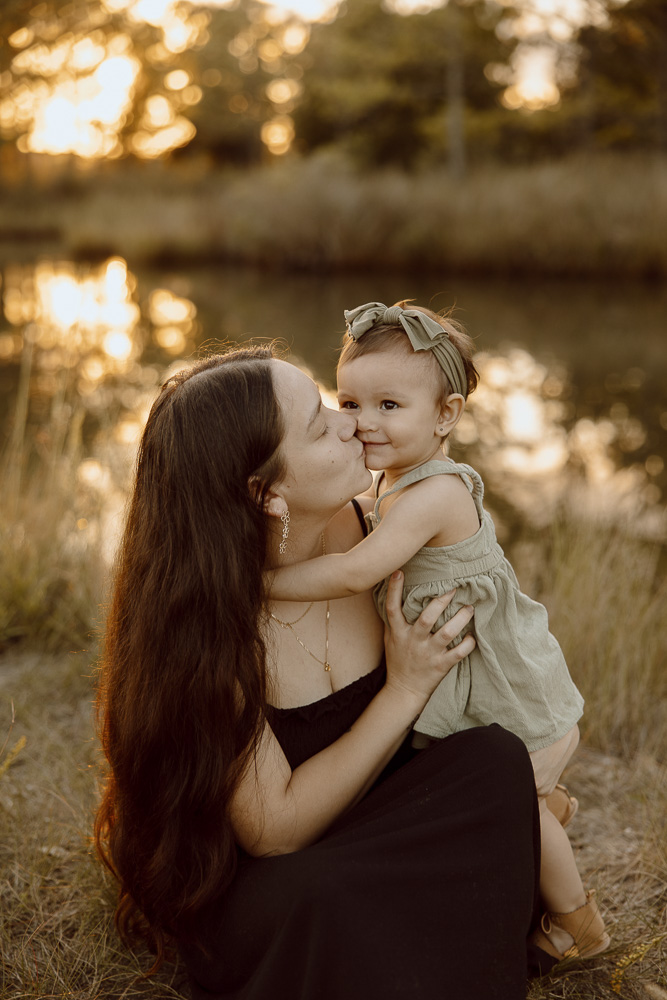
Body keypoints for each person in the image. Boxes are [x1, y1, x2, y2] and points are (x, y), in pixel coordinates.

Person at [94, 345, 552, 1000]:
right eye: (318, 423)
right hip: (276, 880)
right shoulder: (208, 632)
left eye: (327, 401)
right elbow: (274, 833)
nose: (350, 421)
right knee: (324, 893)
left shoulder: (380, 531)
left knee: (493, 762)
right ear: (266, 492)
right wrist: (404, 688)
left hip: (379, 823)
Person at [267, 302, 610, 964]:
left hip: (510, 690)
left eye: (389, 405)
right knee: (496, 796)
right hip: (471, 681)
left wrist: (266, 585)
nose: (362, 422)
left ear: (445, 416)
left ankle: (577, 924)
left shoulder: (438, 493)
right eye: (349, 402)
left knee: (516, 805)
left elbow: (355, 569)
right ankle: (546, 809)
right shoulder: (392, 485)